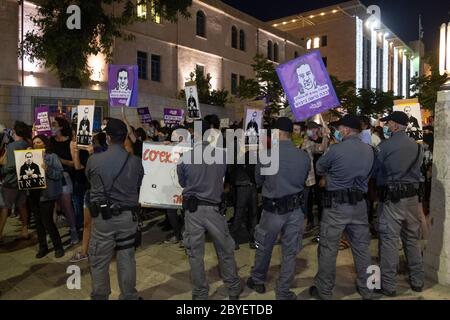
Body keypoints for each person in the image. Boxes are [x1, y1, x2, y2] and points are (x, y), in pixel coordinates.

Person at [309, 115, 375, 300]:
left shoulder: (336, 150)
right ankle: (368, 289)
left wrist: (330, 176)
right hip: (360, 205)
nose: (338, 131)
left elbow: (320, 167)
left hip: (336, 206)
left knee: (329, 248)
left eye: (340, 128)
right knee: (362, 248)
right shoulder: (370, 150)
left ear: (346, 130)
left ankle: (325, 291)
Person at [246, 117, 310, 300]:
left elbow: (258, 180)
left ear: (276, 133)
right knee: (290, 251)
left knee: (264, 246)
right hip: (295, 210)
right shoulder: (303, 156)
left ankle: (258, 280)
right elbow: (304, 180)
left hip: (272, 210)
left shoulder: (266, 155)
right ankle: (283, 291)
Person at [177, 120, 241, 300]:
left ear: (195, 135)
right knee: (225, 250)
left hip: (193, 212)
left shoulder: (185, 158)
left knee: (195, 255)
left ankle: (200, 294)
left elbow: (183, 183)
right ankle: (233, 289)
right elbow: (222, 180)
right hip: (214, 209)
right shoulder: (221, 156)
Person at [86, 118, 144, 300]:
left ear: (108, 138)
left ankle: (100, 295)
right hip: (128, 217)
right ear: (125, 137)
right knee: (126, 257)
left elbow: (90, 179)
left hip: (103, 218)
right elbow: (138, 183)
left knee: (99, 259)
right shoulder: (135, 162)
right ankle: (129, 296)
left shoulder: (94, 160)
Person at [374, 111, 424, 297]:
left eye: (389, 124)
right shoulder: (417, 147)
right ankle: (418, 281)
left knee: (389, 240)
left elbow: (375, 170)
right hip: (412, 198)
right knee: (411, 239)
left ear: (395, 125)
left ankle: (389, 285)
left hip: (393, 199)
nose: (387, 127)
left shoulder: (385, 146)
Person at [29, 135, 65, 258]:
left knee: (48, 222)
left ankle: (58, 247)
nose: (36, 145)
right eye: (34, 143)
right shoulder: (30, 156)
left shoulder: (52, 157)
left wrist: (47, 169)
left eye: (39, 142)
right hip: (34, 194)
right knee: (38, 223)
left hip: (47, 195)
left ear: (45, 143)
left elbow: (59, 174)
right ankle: (43, 247)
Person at [0, 121, 31, 242]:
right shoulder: (27, 143)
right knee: (22, 205)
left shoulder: (12, 146)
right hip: (23, 180)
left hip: (11, 181)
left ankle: (0, 232)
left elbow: (12, 165)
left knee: (4, 207)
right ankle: (25, 229)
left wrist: (3, 169)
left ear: (15, 131)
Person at [50, 117, 80, 244]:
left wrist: (59, 160)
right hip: (51, 177)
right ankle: (52, 233)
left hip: (65, 176)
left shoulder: (70, 143)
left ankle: (74, 231)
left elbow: (74, 164)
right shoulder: (50, 142)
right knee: (51, 206)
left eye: (54, 124)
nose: (52, 126)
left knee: (67, 207)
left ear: (61, 127)